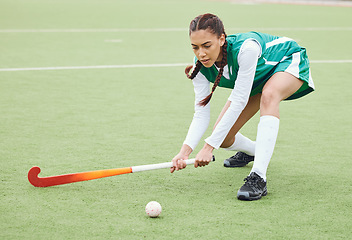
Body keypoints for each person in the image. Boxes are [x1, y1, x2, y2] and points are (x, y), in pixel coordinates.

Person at [170, 13, 315, 201]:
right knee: (223, 137)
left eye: (207, 46)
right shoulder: (200, 67)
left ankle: (259, 177)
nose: (201, 53)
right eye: (195, 47)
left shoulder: (246, 49)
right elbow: (201, 113)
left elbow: (239, 100)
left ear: (222, 39)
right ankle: (255, 151)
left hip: (287, 59)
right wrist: (184, 152)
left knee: (269, 96)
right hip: (258, 77)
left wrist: (207, 147)